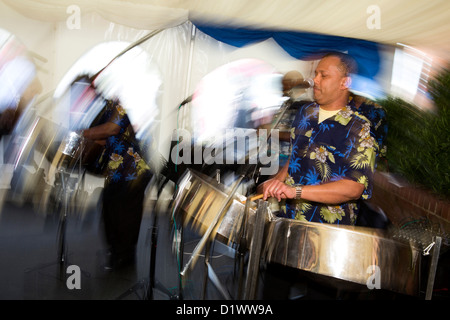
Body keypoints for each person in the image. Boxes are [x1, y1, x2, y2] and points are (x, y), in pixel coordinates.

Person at [259, 52, 378, 226]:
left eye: (324, 75)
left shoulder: (359, 128)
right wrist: (277, 181)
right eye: (316, 74)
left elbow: (353, 188)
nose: (315, 80)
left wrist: (295, 192)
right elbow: (296, 156)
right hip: (288, 218)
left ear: (345, 82)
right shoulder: (306, 112)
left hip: (326, 229)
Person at [80, 84, 153, 271]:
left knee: (125, 215)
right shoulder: (107, 112)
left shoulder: (120, 110)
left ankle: (124, 257)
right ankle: (116, 253)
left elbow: (111, 129)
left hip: (133, 171)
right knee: (109, 210)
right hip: (117, 172)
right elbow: (103, 139)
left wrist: (84, 133)